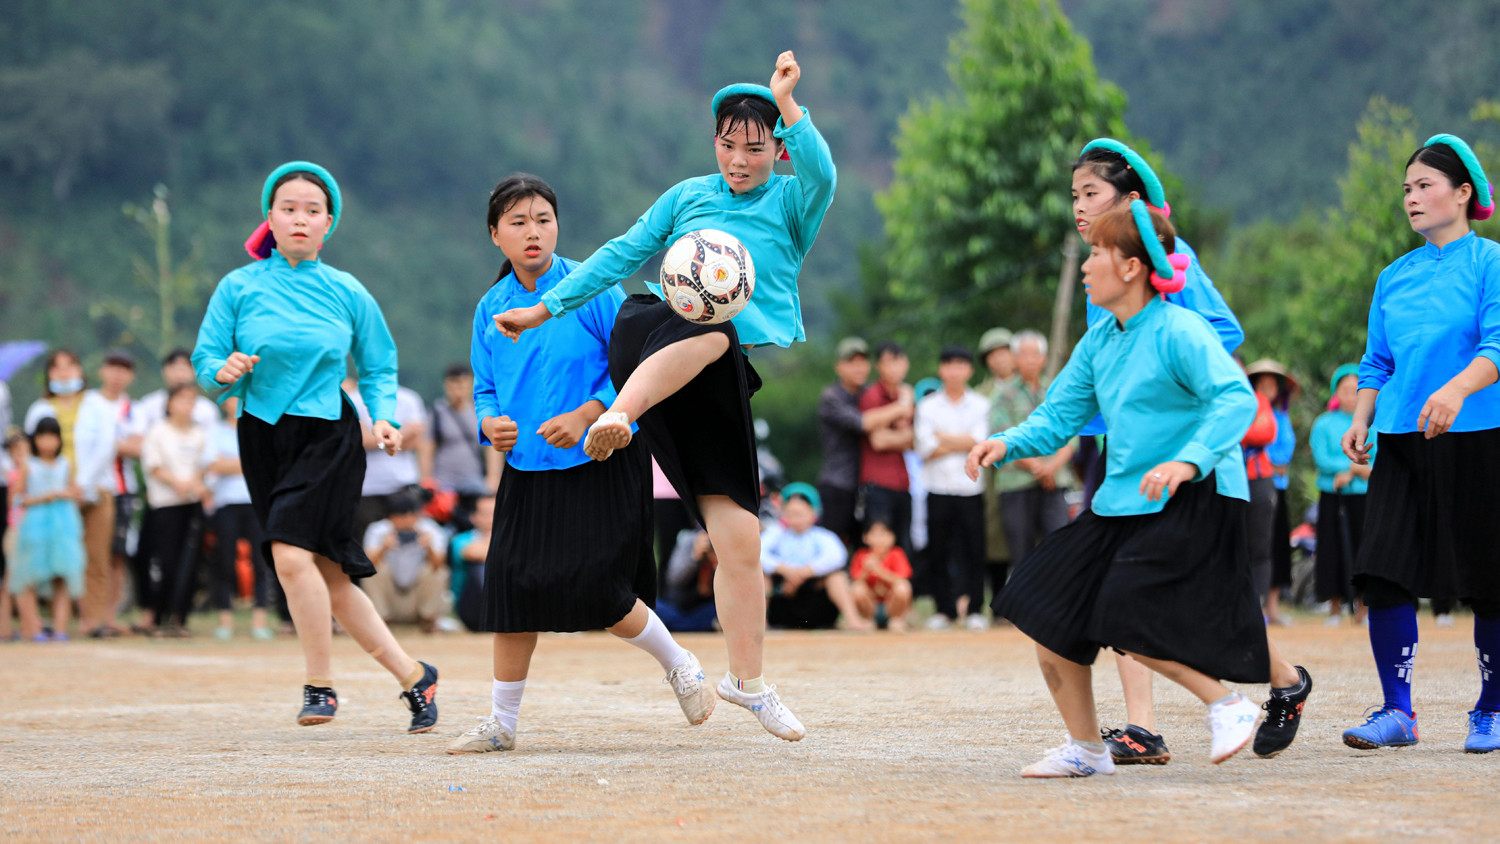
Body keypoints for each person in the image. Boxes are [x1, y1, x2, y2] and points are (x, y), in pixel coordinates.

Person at [492, 52, 833, 741]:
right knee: (712, 332)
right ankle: (621, 411)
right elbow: (621, 254)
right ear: (715, 144)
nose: (741, 160)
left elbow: (822, 170)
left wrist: (788, 103)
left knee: (739, 536)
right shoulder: (687, 197)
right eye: (730, 147)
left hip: (716, 370)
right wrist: (544, 309)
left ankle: (748, 684)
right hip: (652, 332)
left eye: (757, 147)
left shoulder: (793, 201)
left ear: (777, 147)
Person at [967, 202, 1309, 777]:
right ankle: (1086, 749)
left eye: (1096, 253)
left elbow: (1236, 399)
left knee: (1120, 610)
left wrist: (1186, 462)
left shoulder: (1180, 330)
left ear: (1130, 267)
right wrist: (1004, 442)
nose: (1085, 265)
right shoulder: (1101, 341)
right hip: (1123, 500)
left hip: (1189, 498)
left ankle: (1226, 703)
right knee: (1042, 602)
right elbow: (1057, 416)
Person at [447, 173, 715, 755]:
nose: (533, 231)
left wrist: (587, 414)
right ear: (496, 235)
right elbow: (486, 388)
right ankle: (502, 723)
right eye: (518, 222)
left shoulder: (591, 286)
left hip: (602, 455)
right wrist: (489, 423)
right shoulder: (490, 308)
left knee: (600, 589)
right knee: (512, 590)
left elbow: (631, 369)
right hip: (526, 465)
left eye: (543, 219)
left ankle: (679, 663)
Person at [1069, 139, 1309, 765]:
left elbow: (1222, 332)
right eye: (1074, 196)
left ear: (1133, 201)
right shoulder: (1100, 264)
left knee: (1210, 599)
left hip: (1187, 457)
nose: (1078, 207)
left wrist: (1160, 351)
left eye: (1090, 194)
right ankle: (1141, 727)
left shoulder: (1169, 256)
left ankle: (1284, 680)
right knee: (1123, 589)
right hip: (1125, 453)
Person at [193, 160, 438, 733]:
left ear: (329, 223)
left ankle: (319, 684)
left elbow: (378, 366)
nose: (300, 218)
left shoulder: (347, 290)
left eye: (313, 210)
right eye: (289, 208)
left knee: (289, 557)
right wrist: (224, 370)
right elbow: (205, 364)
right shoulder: (238, 287)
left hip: (328, 435)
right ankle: (413, 676)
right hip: (261, 436)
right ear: (269, 218)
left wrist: (383, 419)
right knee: (326, 575)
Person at [1338, 134, 1500, 754]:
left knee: (1489, 577)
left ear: (1463, 194)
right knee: (1383, 568)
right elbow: (1376, 359)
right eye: (1406, 188)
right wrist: (1361, 414)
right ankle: (1397, 712)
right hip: (1403, 438)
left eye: (1425, 185)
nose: (1411, 196)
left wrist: (1457, 390)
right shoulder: (1392, 277)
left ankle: (1489, 710)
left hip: (1478, 436)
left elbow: (1496, 346)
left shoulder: (1489, 263)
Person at [23, 350, 119, 639]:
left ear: (80, 370)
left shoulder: (97, 404)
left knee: (96, 557)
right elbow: (31, 453)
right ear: (49, 374)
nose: (64, 373)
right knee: (57, 559)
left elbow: (107, 444)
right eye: (57, 368)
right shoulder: (39, 409)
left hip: (96, 490)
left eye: (70, 366)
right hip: (53, 496)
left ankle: (93, 620)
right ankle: (58, 621)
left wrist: (83, 483)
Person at [991, 331, 1076, 586]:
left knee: (1059, 543)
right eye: (1024, 354)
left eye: (1035, 354)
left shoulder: (1058, 390)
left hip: (1056, 480)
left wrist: (1052, 468)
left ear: (1044, 358)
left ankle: (1058, 607)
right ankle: (1022, 611)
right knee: (1021, 549)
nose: (1030, 360)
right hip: (1016, 483)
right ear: (1015, 359)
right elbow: (1000, 437)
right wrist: (1039, 468)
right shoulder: (1002, 397)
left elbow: (1073, 434)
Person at [914, 345, 989, 630]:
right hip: (937, 487)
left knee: (974, 550)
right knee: (939, 550)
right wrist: (964, 441)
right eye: (949, 365)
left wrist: (943, 439)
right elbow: (924, 448)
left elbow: (980, 442)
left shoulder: (981, 404)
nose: (955, 371)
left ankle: (974, 610)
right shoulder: (927, 406)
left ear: (969, 370)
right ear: (941, 369)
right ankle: (943, 609)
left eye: (961, 365)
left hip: (971, 487)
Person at [139, 385, 209, 637]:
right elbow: (153, 465)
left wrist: (195, 483)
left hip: (191, 505)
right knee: (166, 562)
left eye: (192, 400)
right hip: (165, 505)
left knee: (189, 564)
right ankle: (159, 616)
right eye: (181, 400)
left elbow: (204, 464)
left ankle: (180, 618)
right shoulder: (158, 431)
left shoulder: (199, 433)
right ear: (169, 403)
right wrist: (176, 482)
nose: (187, 405)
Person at [9, 417, 85, 642]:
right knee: (30, 576)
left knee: (62, 576)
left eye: (53, 436)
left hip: (64, 526)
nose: (48, 442)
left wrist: (70, 493)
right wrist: (45, 497)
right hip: (35, 524)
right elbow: (16, 499)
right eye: (43, 436)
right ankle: (34, 628)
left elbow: (74, 490)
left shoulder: (65, 464)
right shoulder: (28, 466)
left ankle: (61, 628)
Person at [205, 396, 274, 640]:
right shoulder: (214, 431)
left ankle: (259, 621)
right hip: (225, 504)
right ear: (224, 401)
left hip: (255, 503)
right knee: (224, 561)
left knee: (261, 561)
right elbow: (213, 464)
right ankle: (225, 620)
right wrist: (248, 462)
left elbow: (268, 463)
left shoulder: (260, 428)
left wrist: (230, 463)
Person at [1312, 364, 1374, 625]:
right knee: (1330, 548)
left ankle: (1363, 607)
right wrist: (1349, 466)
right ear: (1336, 392)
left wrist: (1356, 472)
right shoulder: (1323, 423)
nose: (1350, 395)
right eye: (1345, 390)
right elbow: (1322, 458)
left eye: (1355, 390)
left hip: (1363, 496)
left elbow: (1376, 459)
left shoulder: (1374, 424)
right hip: (1332, 494)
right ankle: (1334, 607)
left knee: (1365, 549)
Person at [90, 350, 142, 638]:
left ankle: (109, 616)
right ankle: (90, 615)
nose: (117, 375)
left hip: (122, 489)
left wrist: (108, 442)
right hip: (90, 488)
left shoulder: (132, 409)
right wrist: (117, 443)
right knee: (90, 554)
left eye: (124, 369)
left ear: (130, 376)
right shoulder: (89, 403)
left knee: (116, 556)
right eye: (113, 368)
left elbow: (139, 447)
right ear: (102, 371)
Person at [761, 483, 862, 630]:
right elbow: (758, 554)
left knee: (836, 577)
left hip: (814, 600)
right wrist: (784, 570)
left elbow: (837, 557)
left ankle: (853, 620)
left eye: (800, 514)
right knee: (762, 578)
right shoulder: (775, 534)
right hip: (782, 596)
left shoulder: (823, 536)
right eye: (791, 514)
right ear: (783, 513)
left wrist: (803, 573)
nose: (796, 519)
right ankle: (761, 622)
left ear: (814, 514)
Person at [817, 337, 884, 549]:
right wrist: (902, 406)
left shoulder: (868, 395)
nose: (859, 368)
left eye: (863, 362)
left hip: (865, 485)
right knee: (832, 547)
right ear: (839, 366)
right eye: (851, 362)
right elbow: (863, 423)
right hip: (838, 484)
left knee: (866, 548)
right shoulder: (831, 396)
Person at [1246, 359, 1299, 626]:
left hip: (1275, 486)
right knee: (1252, 544)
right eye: (1262, 383)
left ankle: (1271, 608)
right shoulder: (1245, 407)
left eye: (1271, 385)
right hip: (1252, 481)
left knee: (1274, 546)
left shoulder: (1281, 417)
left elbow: (1284, 452)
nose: (1267, 389)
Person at [346, 374, 430, 543]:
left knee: (407, 542)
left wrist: (373, 440)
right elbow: (356, 439)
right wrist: (399, 438)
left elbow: (417, 440)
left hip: (402, 485)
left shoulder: (409, 398)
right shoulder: (354, 399)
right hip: (366, 488)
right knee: (365, 544)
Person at [363, 493, 450, 632]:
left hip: (416, 596)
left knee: (438, 572)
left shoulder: (430, 529)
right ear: (390, 518)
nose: (406, 521)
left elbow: (439, 565)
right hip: (390, 598)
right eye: (401, 516)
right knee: (374, 570)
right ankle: (382, 619)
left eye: (411, 516)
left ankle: (427, 618)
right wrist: (383, 547)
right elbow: (366, 565)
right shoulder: (379, 530)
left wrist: (429, 547)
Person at [860, 341, 916, 553]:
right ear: (879, 367)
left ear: (906, 364)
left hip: (903, 482)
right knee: (877, 541)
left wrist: (898, 432)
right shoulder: (872, 395)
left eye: (898, 362)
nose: (894, 368)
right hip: (877, 482)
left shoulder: (907, 394)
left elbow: (915, 440)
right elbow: (878, 441)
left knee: (903, 543)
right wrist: (902, 410)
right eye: (888, 362)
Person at [1239, 357, 1281, 616]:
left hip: (1258, 480)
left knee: (1260, 546)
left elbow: (1266, 433)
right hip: (1224, 481)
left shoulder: (1257, 400)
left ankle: (1256, 609)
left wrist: (1230, 431)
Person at [975, 328, 1015, 593]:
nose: (999, 359)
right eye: (993, 354)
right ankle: (999, 601)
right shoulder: (980, 393)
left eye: (1004, 351)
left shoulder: (1032, 385)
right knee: (995, 535)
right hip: (995, 473)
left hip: (1030, 469)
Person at [429, 364, 494, 524]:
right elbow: (427, 447)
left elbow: (491, 445)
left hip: (473, 479)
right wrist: (427, 479)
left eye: (462, 384)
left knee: (476, 523)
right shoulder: (437, 412)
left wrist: (494, 476)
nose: (458, 389)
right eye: (453, 384)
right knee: (445, 524)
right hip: (443, 481)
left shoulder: (479, 410)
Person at [849, 520, 913, 632]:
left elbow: (902, 578)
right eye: (874, 535)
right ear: (865, 537)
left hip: (890, 605)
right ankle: (867, 619)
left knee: (903, 587)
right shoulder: (861, 555)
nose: (879, 539)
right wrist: (866, 570)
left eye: (883, 534)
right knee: (856, 588)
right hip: (871, 606)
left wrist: (879, 571)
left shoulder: (896, 554)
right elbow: (855, 580)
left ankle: (896, 619)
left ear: (892, 537)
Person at [658, 529, 721, 633]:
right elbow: (674, 579)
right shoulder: (688, 541)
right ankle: (698, 626)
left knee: (721, 611)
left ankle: (680, 626)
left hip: (704, 609)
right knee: (653, 608)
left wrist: (719, 567)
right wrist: (694, 558)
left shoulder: (725, 544)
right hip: (676, 608)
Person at [449, 493, 493, 633]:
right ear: (473, 517)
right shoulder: (461, 539)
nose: (492, 518)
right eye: (486, 514)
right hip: (471, 608)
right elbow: (472, 553)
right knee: (480, 567)